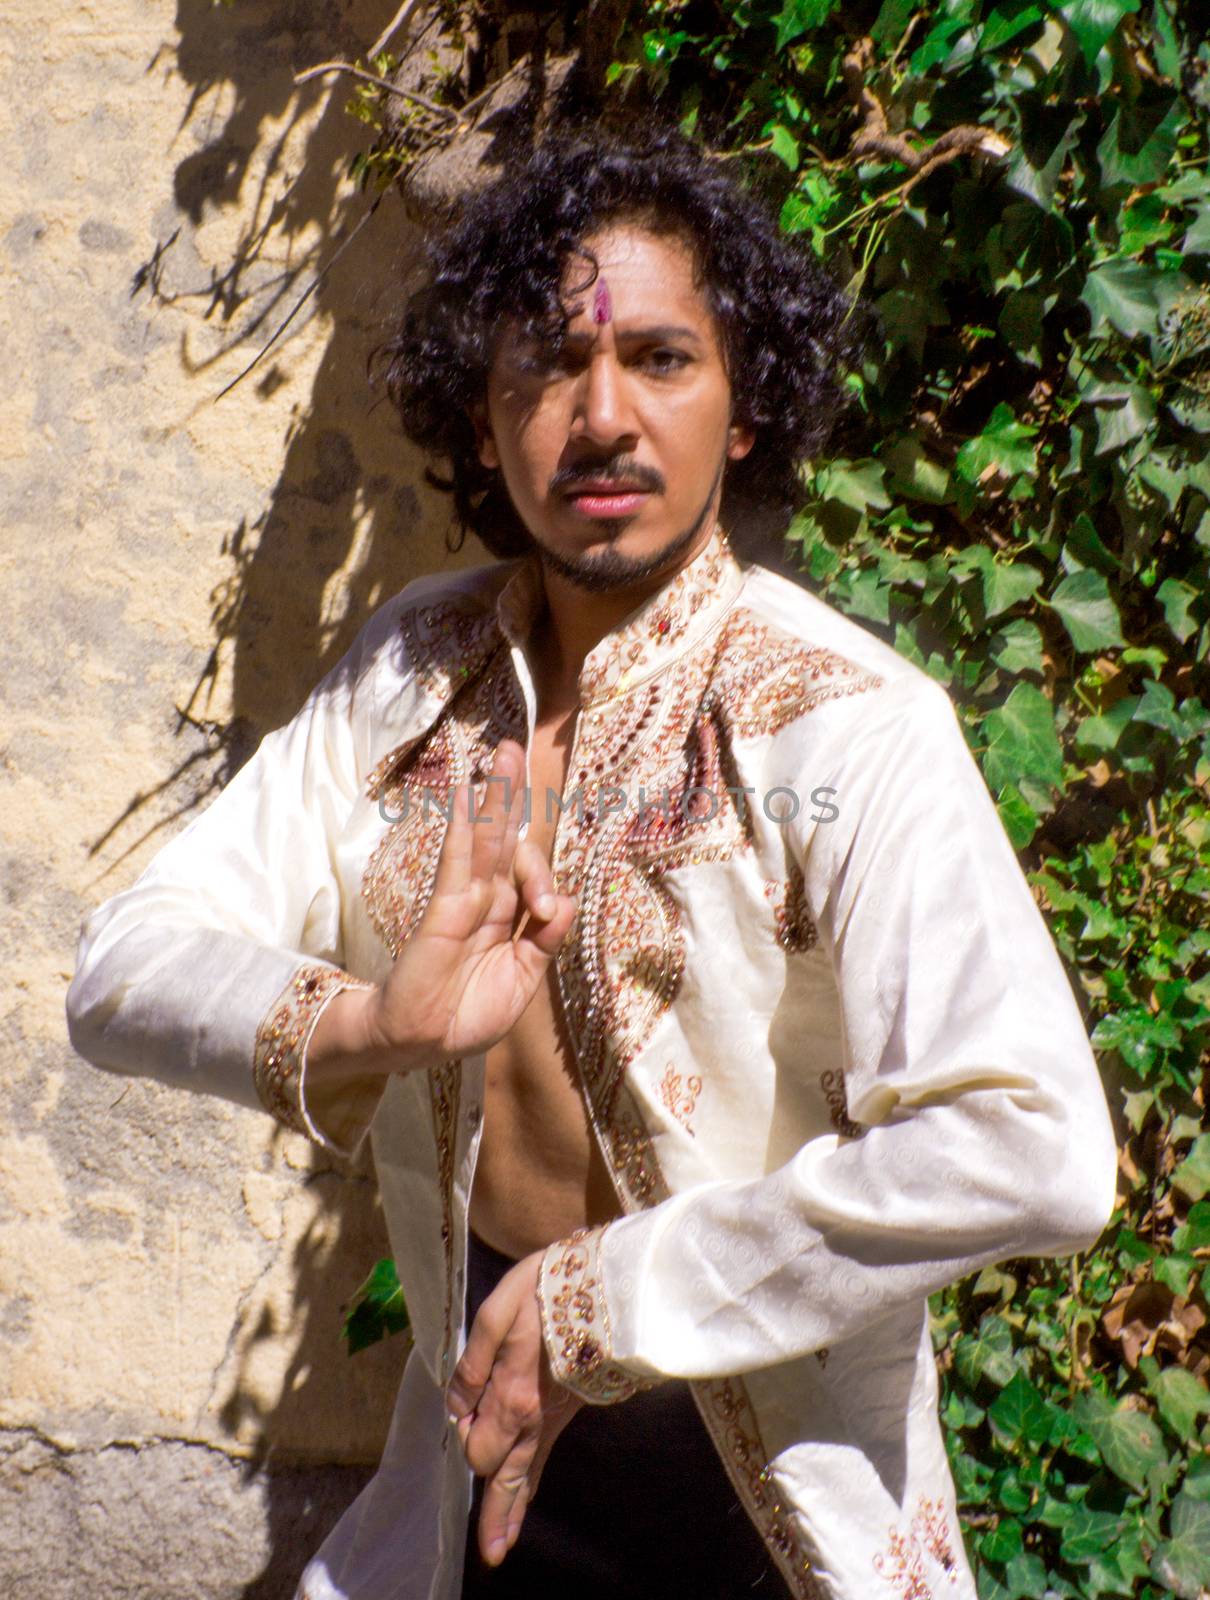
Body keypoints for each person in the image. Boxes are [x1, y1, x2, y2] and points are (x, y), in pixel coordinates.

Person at [66, 120, 1118, 1600]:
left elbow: (1034, 1146)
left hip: (775, 1509)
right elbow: (122, 962)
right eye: (547, 366)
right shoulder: (406, 674)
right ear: (483, 418)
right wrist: (375, 1024)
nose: (601, 416)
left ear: (744, 406)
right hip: (469, 1480)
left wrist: (606, 1294)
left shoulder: (846, 726)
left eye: (662, 360)